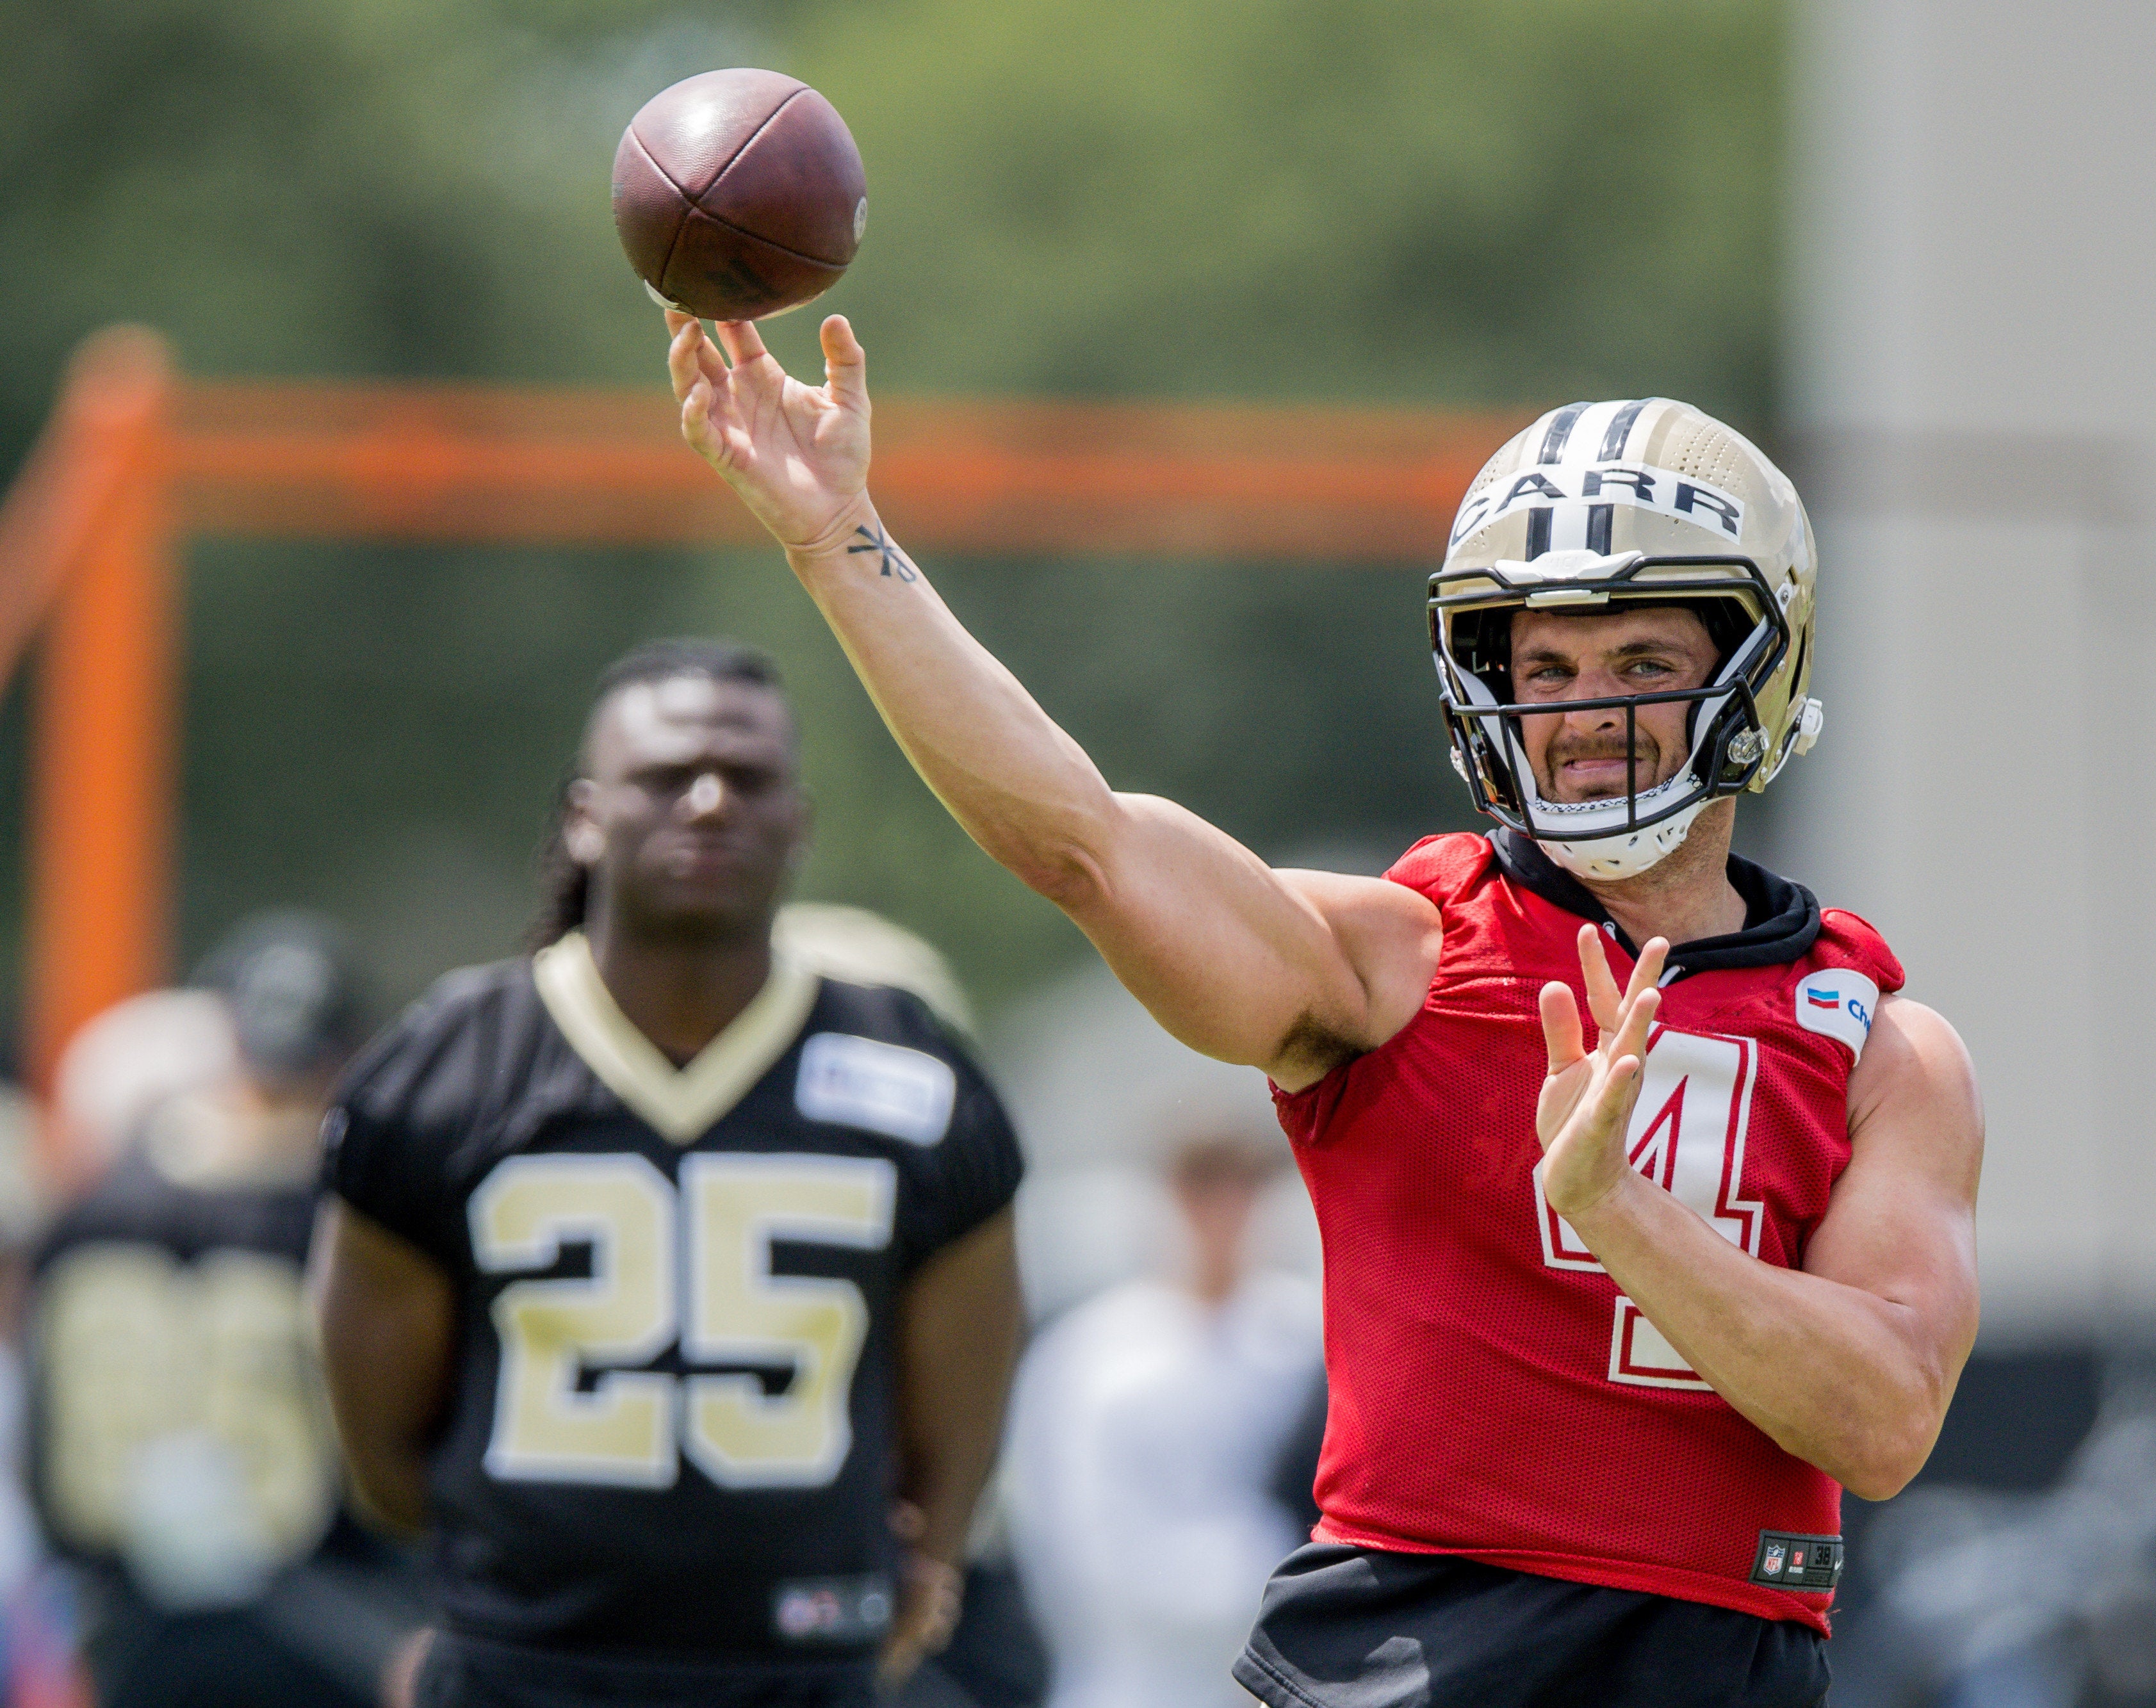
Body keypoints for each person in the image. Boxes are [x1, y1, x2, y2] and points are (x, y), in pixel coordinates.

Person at [664, 311, 1984, 1708]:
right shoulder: (1404, 957)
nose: (1583, 713)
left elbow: (1883, 1422)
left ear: (1755, 663)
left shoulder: (1878, 1045)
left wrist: (1620, 1209)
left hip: (1723, 1670)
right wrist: (839, 538)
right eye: (1544, 669)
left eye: (1641, 662)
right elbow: (1082, 842)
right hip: (1411, 1658)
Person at [309, 640, 1025, 1708]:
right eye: (666, 774)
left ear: (799, 820)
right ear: (585, 815)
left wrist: (915, 1557)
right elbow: (385, 1459)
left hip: (801, 1668)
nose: (709, 801)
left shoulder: (913, 1074)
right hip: (522, 1669)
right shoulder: (449, 1067)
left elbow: (959, 1412)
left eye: (748, 777)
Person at [25, 913, 421, 1707]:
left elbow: (43, 1457)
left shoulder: (90, 1212)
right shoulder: (346, 1217)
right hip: (325, 1624)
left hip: (131, 1627)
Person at [1004, 1130, 1320, 1708]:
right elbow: (1088, 1557)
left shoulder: (1307, 1339)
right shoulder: (1093, 1359)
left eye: (1245, 1192)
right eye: (1205, 1192)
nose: (1226, 1216)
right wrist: (1283, 1563)